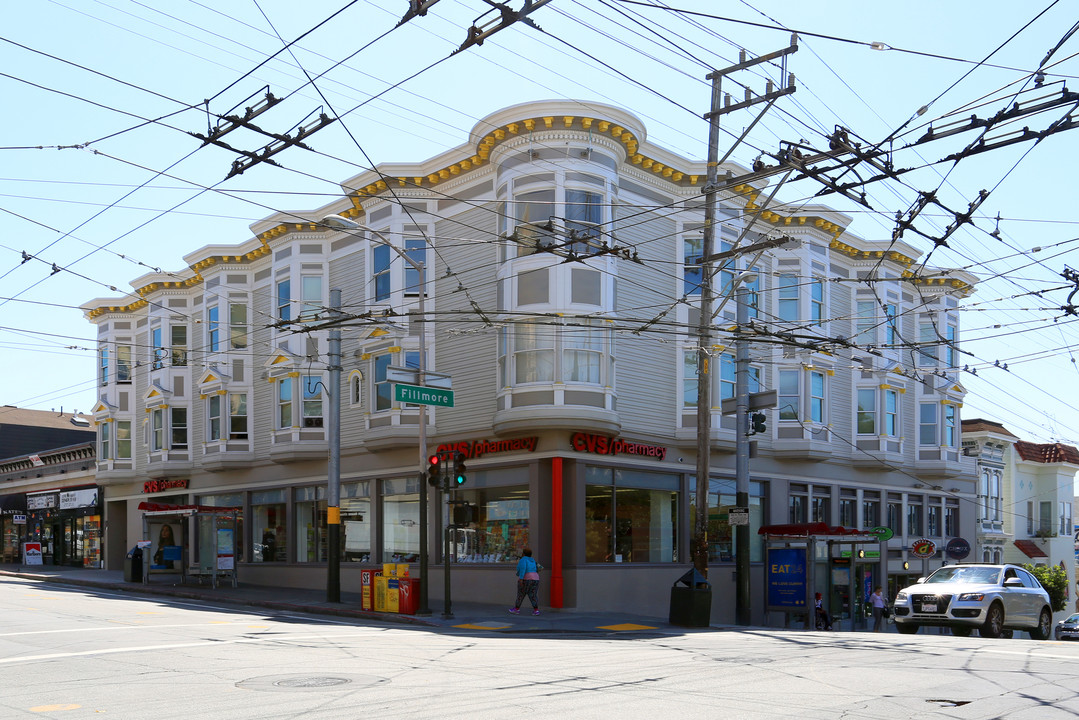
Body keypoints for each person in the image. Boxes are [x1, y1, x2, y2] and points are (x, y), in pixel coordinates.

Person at [509, 548, 541, 615]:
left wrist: (521, 578)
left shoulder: (523, 560)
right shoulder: (533, 560)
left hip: (526, 579)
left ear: (523, 554)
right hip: (536, 579)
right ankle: (536, 610)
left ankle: (516, 609)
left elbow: (523, 569)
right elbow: (538, 568)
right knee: (533, 595)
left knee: (521, 594)